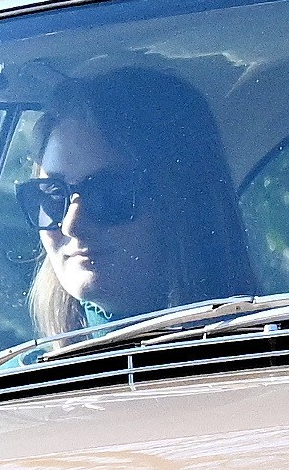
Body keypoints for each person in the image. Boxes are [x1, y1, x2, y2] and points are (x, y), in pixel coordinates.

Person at [25, 70, 262, 337]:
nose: (72, 225)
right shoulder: (13, 377)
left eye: (110, 193)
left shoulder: (280, 363)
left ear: (179, 204)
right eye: (53, 195)